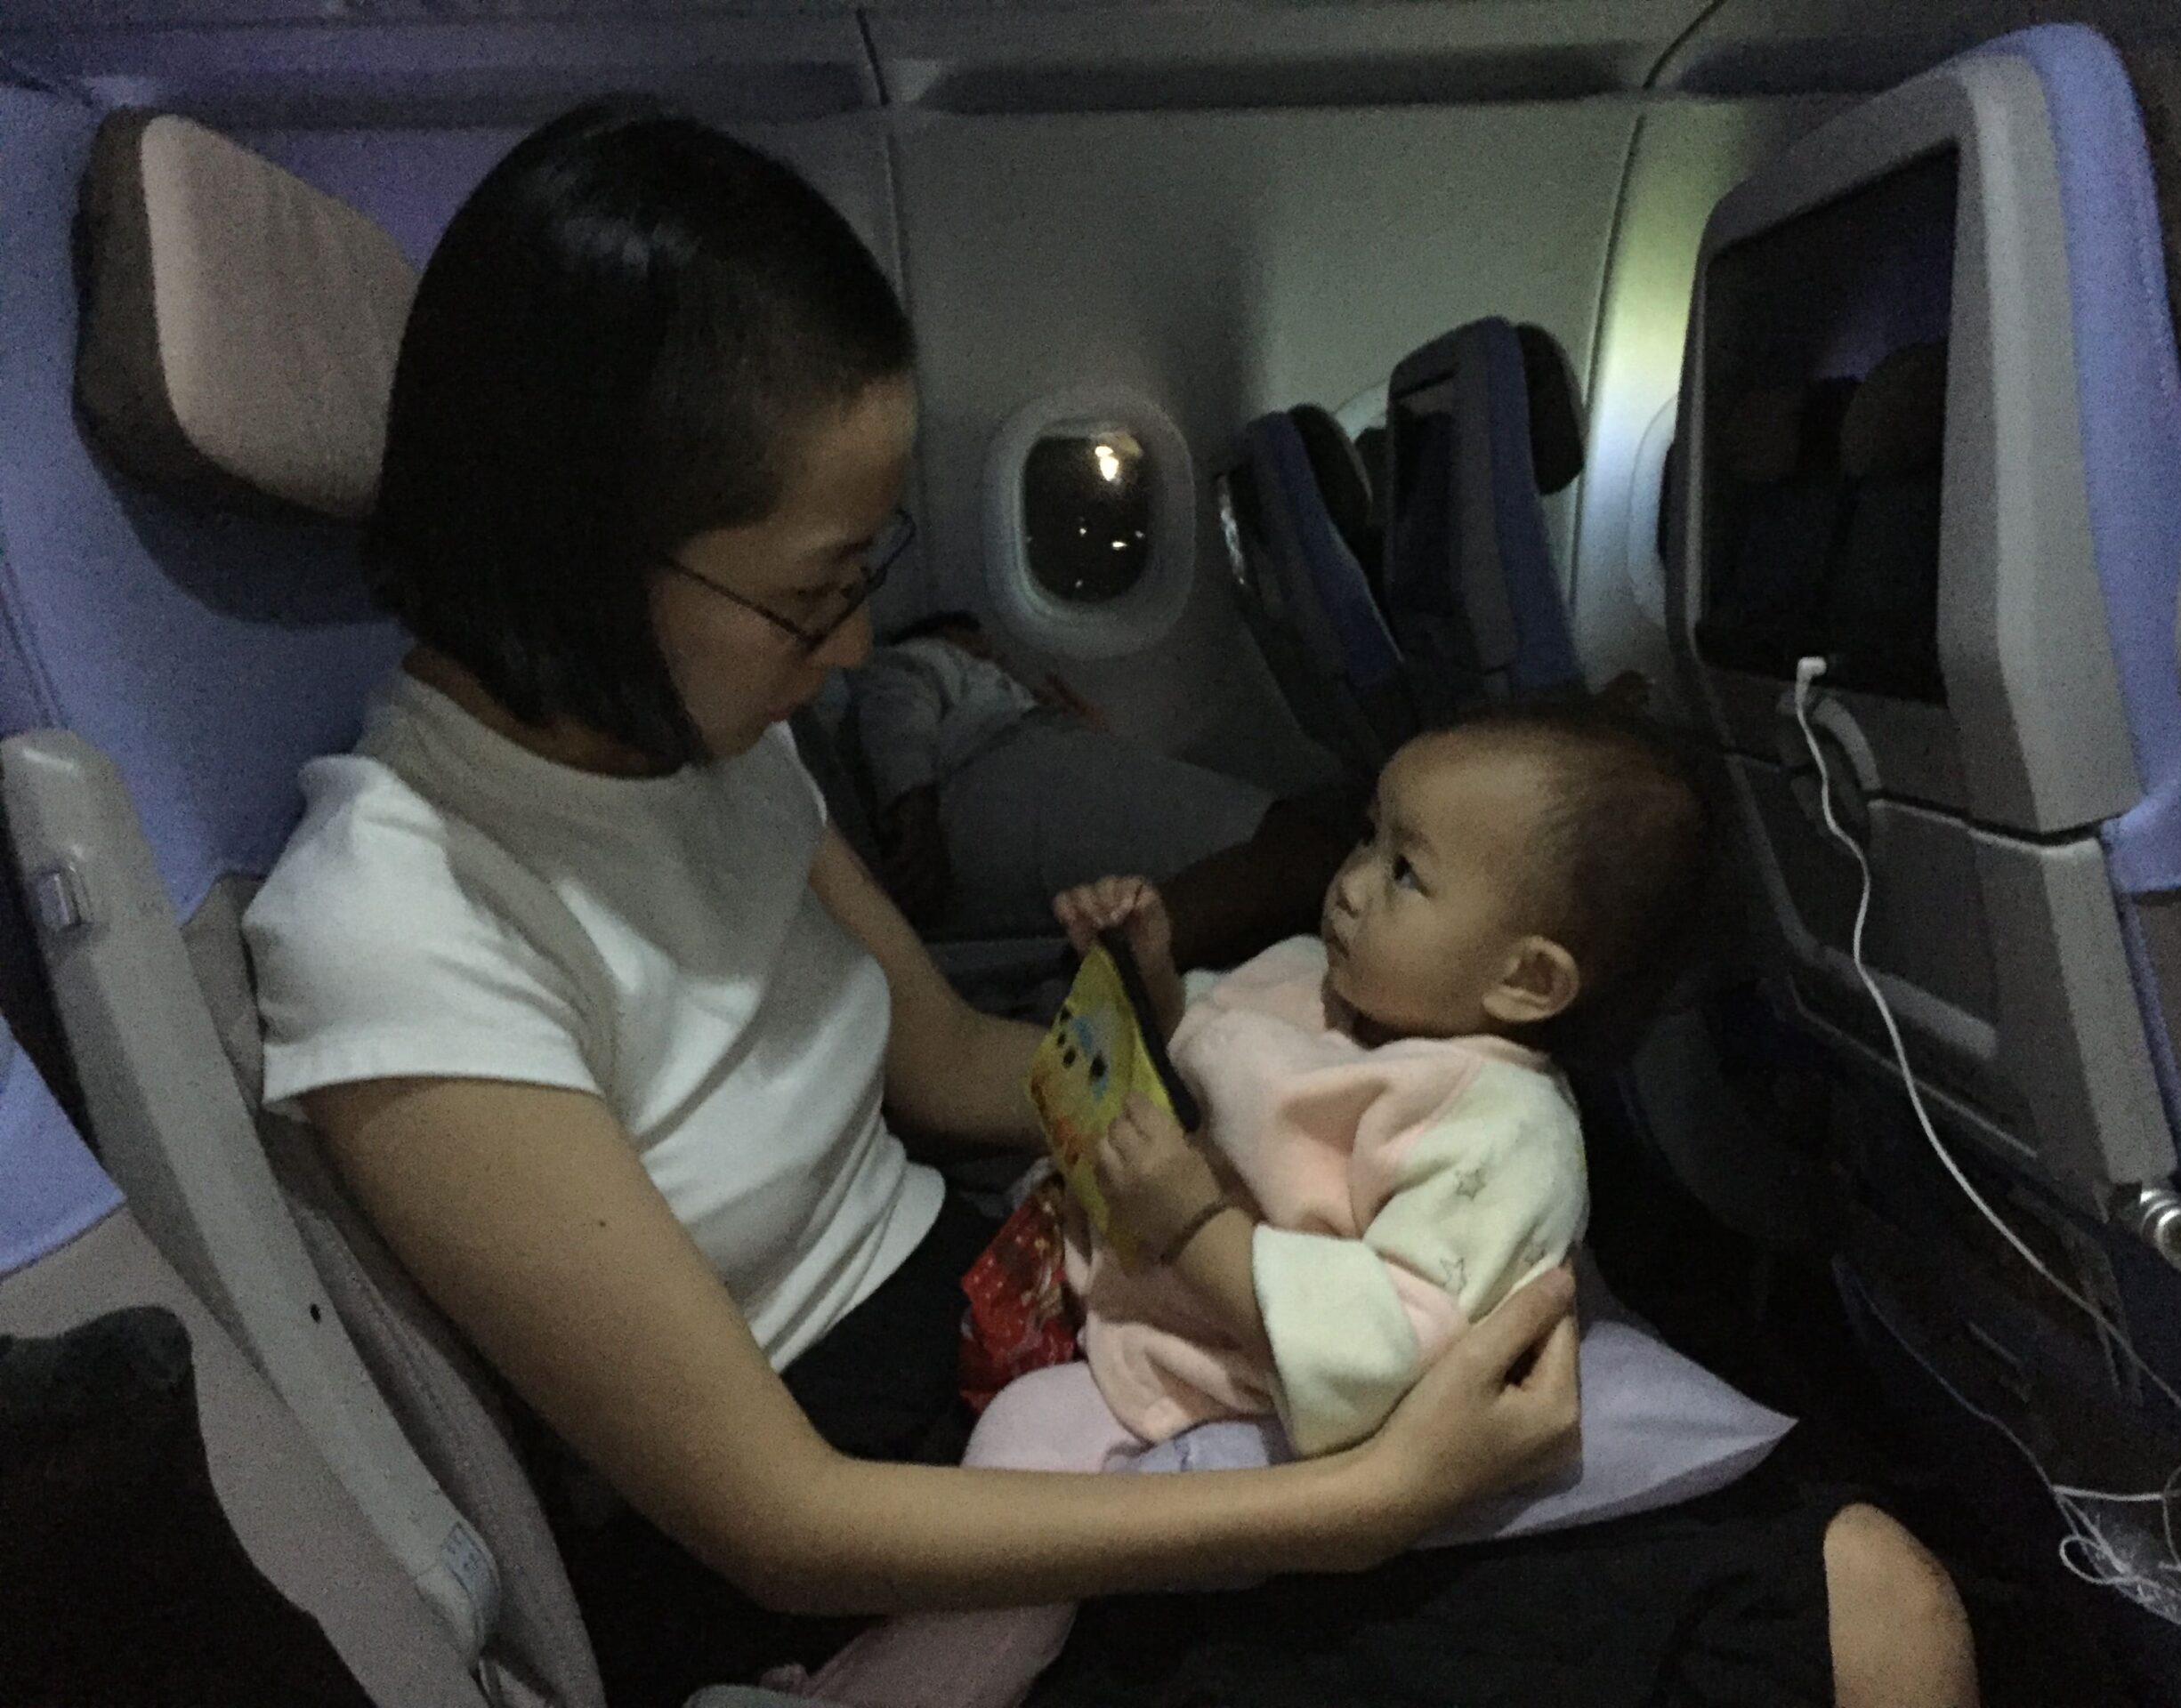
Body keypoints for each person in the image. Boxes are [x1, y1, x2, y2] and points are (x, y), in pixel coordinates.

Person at [239, 105, 1975, 1708]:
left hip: (1022, 1308)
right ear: (578, 550)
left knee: (1837, 1557)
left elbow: (947, 1062)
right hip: (902, 1551)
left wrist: (1215, 1061)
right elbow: (776, 1522)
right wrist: (1360, 1504)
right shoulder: (399, 923)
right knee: (1857, 1618)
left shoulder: (700, 741)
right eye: (812, 597)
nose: (853, 652)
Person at [795, 706, 1747, 1708]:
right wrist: (1151, 980)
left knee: (1019, 1500)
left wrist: (1195, 1228)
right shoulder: (1322, 982)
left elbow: (1390, 1344)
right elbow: (1215, 1060)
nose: (1351, 882)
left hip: (1244, 1397)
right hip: (1135, 1293)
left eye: (1405, 872)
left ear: (1527, 979)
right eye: (1368, 835)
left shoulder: (1497, 1129)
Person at [850, 608, 1346, 969]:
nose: (994, 655)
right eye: (977, 645)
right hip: (1017, 777)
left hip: (1035, 776)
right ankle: (1101, 991)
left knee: (1298, 847)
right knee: (1299, 852)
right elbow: (896, 696)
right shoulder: (926, 658)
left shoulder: (996, 693)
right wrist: (915, 815)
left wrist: (1093, 737)